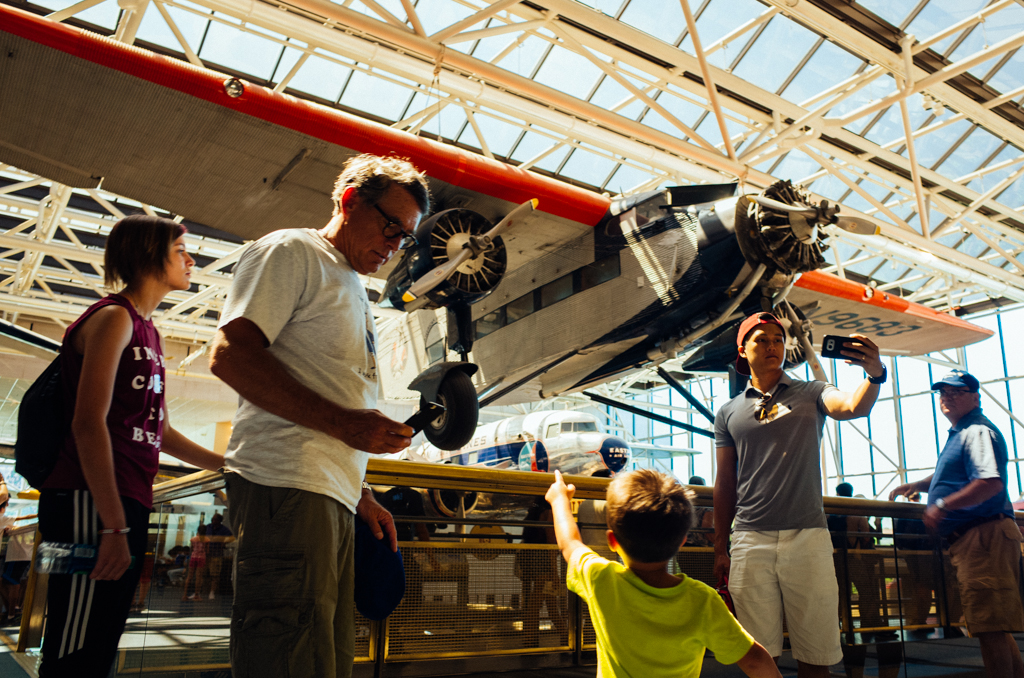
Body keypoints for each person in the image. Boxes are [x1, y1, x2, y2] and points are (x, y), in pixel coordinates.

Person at [208, 153, 429, 678]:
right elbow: (230, 355)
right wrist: (346, 425)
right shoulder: (292, 251)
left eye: (405, 237)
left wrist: (360, 491)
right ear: (350, 202)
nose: (395, 245)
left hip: (328, 494)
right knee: (287, 654)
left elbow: (326, 386)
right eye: (391, 225)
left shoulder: (351, 283)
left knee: (324, 657)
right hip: (287, 486)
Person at [37, 214, 223, 677]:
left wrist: (227, 463)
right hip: (91, 500)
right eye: (180, 251)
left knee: (100, 637)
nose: (191, 261)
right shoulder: (114, 318)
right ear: (148, 255)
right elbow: (87, 424)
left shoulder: (149, 332)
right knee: (75, 642)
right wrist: (114, 527)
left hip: (125, 499)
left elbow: (160, 431)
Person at [713, 312, 885, 678]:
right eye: (761, 339)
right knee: (759, 655)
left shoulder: (813, 391)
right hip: (749, 539)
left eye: (778, 339)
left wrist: (874, 376)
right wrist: (719, 548)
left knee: (816, 654)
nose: (772, 345)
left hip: (807, 538)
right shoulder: (728, 412)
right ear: (742, 350)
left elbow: (853, 407)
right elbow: (725, 482)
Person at [545, 468, 781, 678]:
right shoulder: (702, 600)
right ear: (682, 541)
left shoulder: (601, 579)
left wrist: (559, 500)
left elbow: (570, 543)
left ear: (612, 541)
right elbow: (754, 660)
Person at [890, 369, 1024, 678]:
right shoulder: (963, 432)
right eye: (943, 392)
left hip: (982, 537)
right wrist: (921, 485)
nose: (947, 397)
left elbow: (990, 482)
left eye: (956, 392)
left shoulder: (976, 431)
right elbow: (958, 475)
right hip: (979, 537)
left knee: (990, 628)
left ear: (976, 398)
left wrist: (942, 505)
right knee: (994, 627)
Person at [200, 512, 234, 600]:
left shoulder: (224, 529)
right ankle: (200, 590)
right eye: (212, 519)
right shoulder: (208, 527)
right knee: (202, 572)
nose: (213, 521)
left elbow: (232, 537)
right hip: (206, 554)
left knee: (215, 574)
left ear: (219, 521)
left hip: (216, 554)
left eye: (215, 519)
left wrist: (224, 542)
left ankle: (212, 592)